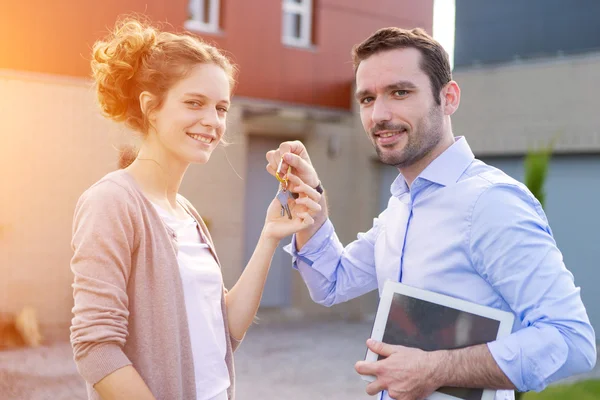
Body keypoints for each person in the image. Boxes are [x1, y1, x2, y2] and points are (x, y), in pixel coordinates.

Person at [266, 27, 596, 400]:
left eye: (400, 92)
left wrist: (435, 369)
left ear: (448, 97)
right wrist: (312, 204)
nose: (379, 114)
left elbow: (572, 340)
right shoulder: (401, 205)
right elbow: (332, 283)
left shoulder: (490, 203)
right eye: (368, 98)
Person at [69, 17, 321, 400]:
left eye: (221, 108)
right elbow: (96, 349)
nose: (213, 121)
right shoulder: (112, 202)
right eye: (194, 103)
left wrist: (269, 236)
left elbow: (224, 331)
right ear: (150, 107)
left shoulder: (185, 212)